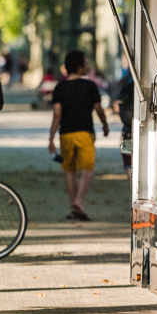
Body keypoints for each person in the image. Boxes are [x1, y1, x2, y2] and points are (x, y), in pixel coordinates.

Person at [48, 50, 109, 221]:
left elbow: (57, 115)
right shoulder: (90, 86)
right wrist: (105, 125)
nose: (88, 66)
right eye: (86, 64)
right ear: (80, 66)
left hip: (66, 134)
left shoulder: (60, 87)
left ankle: (75, 208)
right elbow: (99, 109)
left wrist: (51, 138)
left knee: (70, 171)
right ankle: (79, 201)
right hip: (85, 133)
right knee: (87, 170)